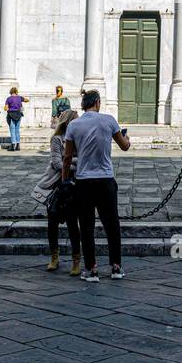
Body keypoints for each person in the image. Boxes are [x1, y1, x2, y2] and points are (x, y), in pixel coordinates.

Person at [62, 90, 130, 282]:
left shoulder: (74, 125)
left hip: (84, 181)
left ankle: (91, 269)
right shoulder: (109, 120)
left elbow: (67, 157)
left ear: (84, 104)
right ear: (98, 102)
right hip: (106, 180)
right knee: (112, 225)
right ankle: (116, 267)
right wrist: (127, 139)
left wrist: (65, 180)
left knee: (86, 226)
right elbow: (124, 146)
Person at [35, 108, 81, 275]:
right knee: (52, 223)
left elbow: (80, 160)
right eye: (76, 120)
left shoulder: (79, 138)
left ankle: (76, 260)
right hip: (57, 185)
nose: (79, 122)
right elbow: (56, 162)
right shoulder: (57, 139)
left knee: (72, 224)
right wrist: (72, 163)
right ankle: (54, 257)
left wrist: (68, 160)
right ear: (68, 122)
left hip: (73, 186)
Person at [4, 86, 29, 151]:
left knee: (12, 129)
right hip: (18, 114)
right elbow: (27, 100)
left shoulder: (9, 99)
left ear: (11, 92)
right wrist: (21, 100)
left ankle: (13, 145)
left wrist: (7, 108)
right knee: (17, 130)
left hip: (11, 115)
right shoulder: (19, 98)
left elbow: (6, 108)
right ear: (16, 92)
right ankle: (18, 145)